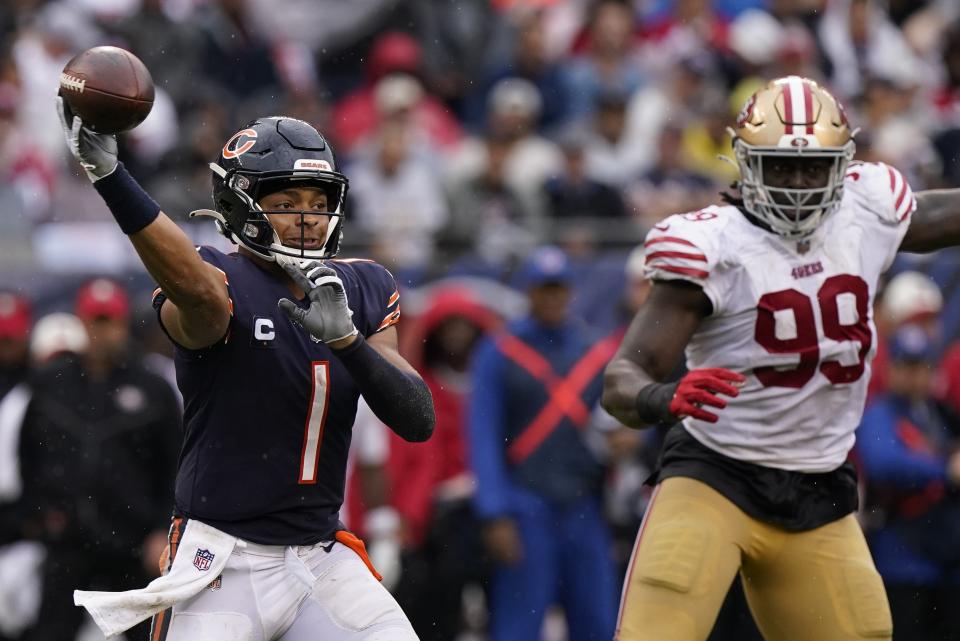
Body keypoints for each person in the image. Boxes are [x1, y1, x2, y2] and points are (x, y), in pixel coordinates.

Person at [55, 96, 435, 640]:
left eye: (317, 200)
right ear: (239, 207)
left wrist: (348, 340)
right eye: (286, 201)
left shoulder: (364, 285)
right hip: (222, 558)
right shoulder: (216, 278)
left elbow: (418, 419)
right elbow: (196, 290)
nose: (307, 218)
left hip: (320, 555)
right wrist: (113, 177)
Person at [602, 75, 960, 641]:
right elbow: (621, 379)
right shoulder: (715, 248)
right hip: (716, 476)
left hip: (817, 490)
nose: (797, 183)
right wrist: (659, 397)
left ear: (843, 166)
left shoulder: (867, 214)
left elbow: (939, 214)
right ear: (746, 164)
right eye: (780, 166)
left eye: (813, 168)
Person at [468, 247, 620, 641]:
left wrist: (632, 440)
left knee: (598, 622)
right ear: (529, 292)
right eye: (544, 289)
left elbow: (622, 422)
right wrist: (495, 511)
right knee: (519, 624)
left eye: (559, 289)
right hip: (525, 505)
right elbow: (482, 436)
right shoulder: (499, 351)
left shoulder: (593, 349)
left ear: (570, 292)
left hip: (584, 505)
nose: (552, 298)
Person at [16, 279, 181, 641]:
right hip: (69, 539)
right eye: (95, 321)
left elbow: (174, 466)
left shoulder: (152, 387)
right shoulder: (52, 382)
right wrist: (38, 512)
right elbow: (29, 453)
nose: (102, 331)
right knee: (49, 633)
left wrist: (161, 530)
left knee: (148, 636)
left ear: (123, 324)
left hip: (132, 543)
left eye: (109, 321)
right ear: (82, 322)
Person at [856, 324, 960, 641]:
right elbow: (883, 462)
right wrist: (945, 469)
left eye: (919, 365)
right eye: (905, 365)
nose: (913, 375)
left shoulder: (938, 413)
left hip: (946, 559)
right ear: (892, 368)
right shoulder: (879, 412)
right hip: (902, 559)